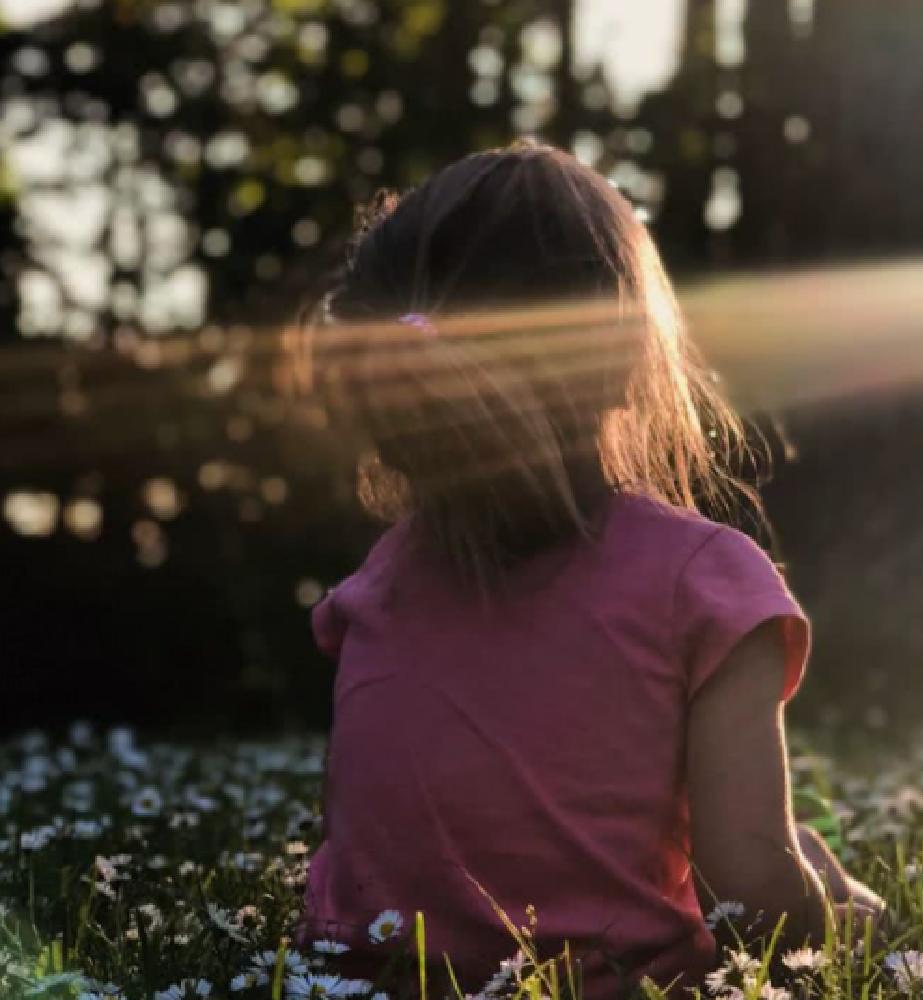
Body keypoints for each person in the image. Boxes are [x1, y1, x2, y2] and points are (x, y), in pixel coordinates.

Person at [296, 141, 882, 999]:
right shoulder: (704, 584)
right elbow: (751, 898)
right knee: (810, 870)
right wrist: (849, 915)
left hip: (360, 987)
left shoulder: (374, 589)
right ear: (624, 355)